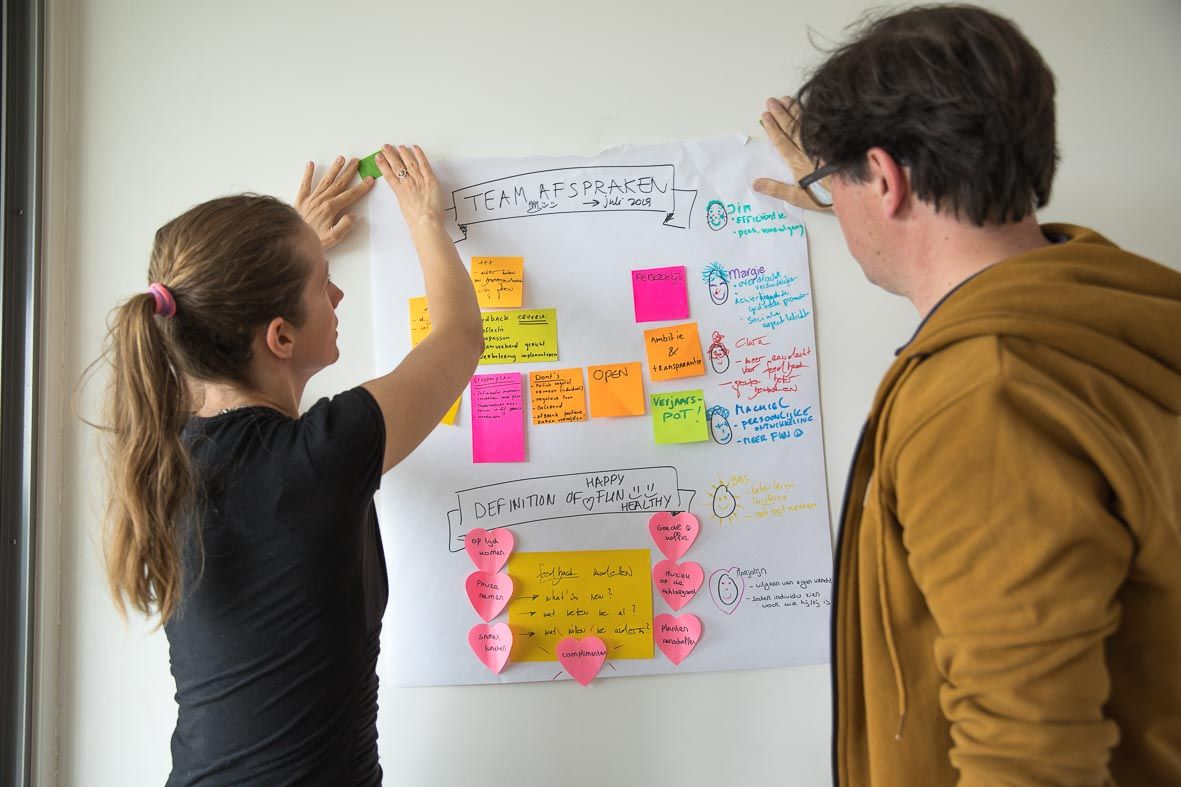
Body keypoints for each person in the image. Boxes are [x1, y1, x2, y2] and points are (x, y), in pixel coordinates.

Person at [753, 5, 1181, 786]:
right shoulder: (1111, 313)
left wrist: (868, 216)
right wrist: (857, 210)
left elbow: (1026, 752)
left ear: (884, 178)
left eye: (833, 180)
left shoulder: (984, 391)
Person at [100, 144, 483, 785]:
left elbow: (226, 314)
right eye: (319, 281)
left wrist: (282, 253)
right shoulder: (323, 456)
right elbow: (460, 338)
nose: (336, 292)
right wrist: (423, 221)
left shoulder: (162, 458)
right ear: (278, 336)